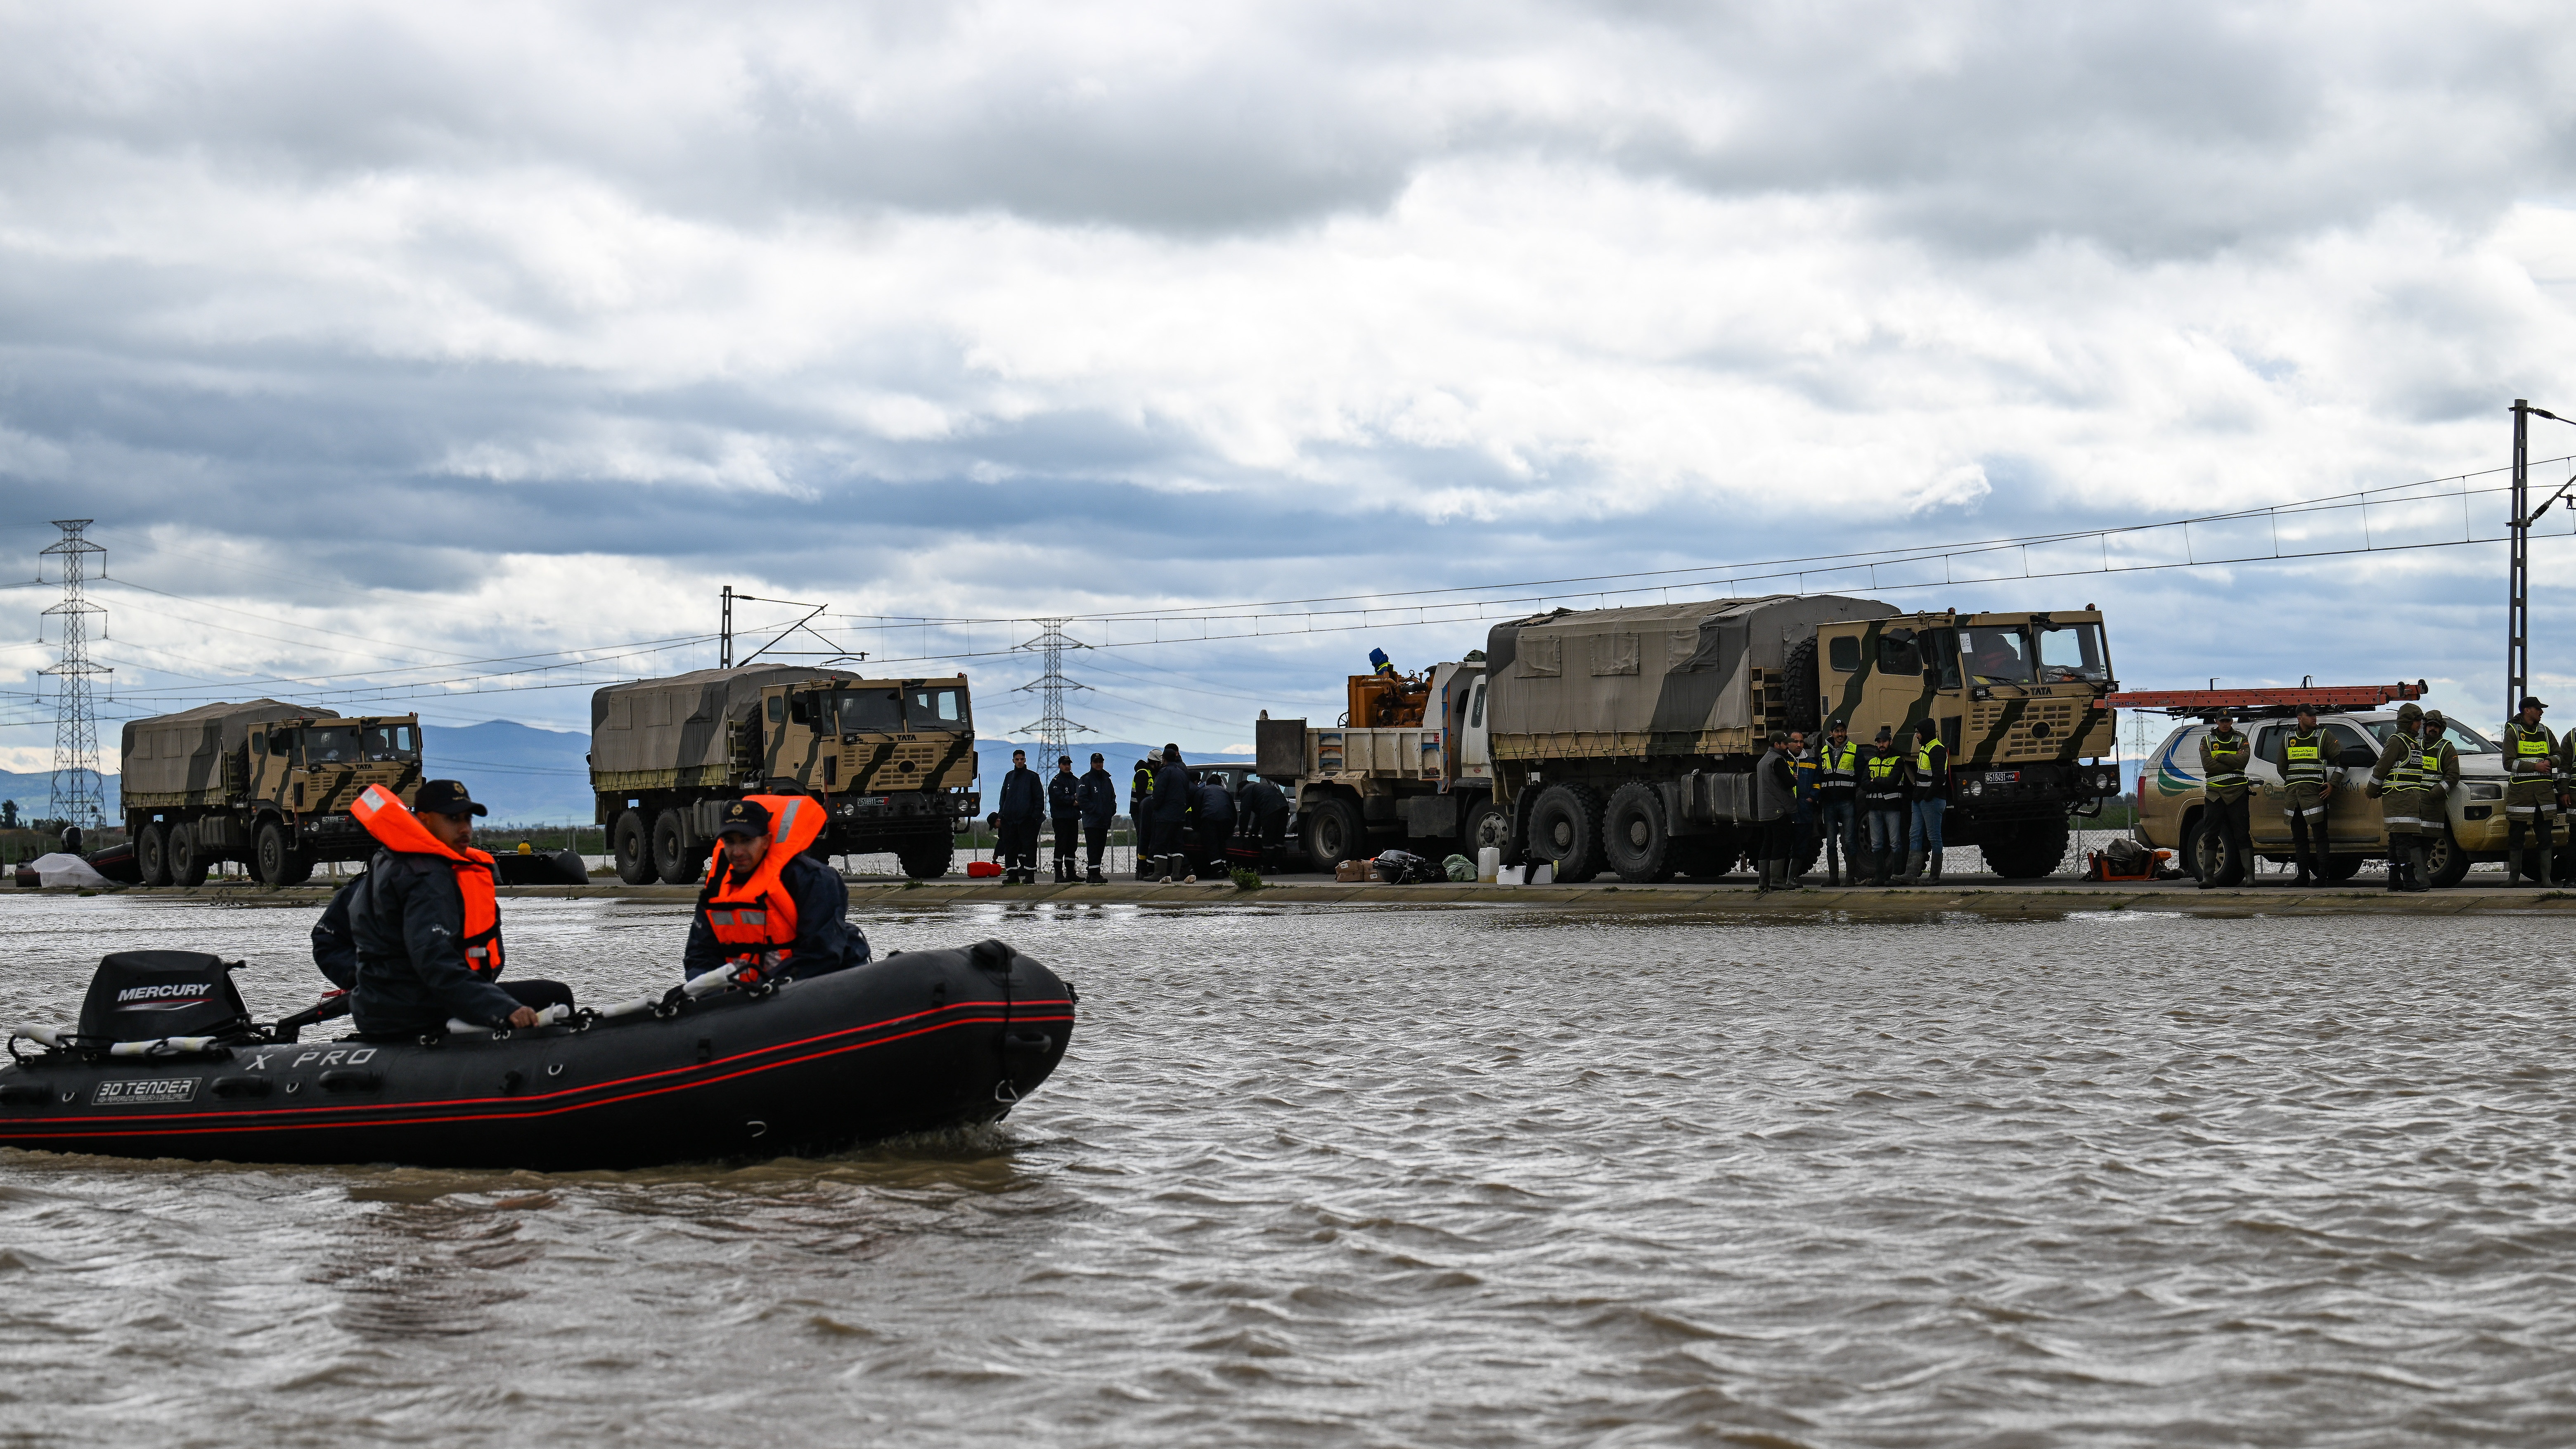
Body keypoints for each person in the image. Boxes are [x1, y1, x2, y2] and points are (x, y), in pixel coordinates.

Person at [346, 780, 573, 1037]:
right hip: (414, 1010)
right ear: (424, 820)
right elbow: (435, 962)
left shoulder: (388, 859)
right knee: (557, 996)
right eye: (453, 819)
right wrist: (504, 1008)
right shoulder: (427, 876)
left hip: (383, 1006)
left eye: (468, 819)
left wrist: (365, 987)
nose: (465, 829)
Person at [683, 796, 871, 983]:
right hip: (752, 996)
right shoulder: (716, 889)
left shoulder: (812, 879)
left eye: (747, 840)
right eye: (730, 842)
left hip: (811, 989)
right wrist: (710, 993)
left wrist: (764, 990)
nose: (738, 852)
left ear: (766, 841)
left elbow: (821, 954)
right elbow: (700, 956)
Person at [2368, 702, 2454, 893]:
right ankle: (2408, 880)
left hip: (2408, 799)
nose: (2421, 725)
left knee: (2397, 840)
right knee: (2403, 841)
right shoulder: (2397, 741)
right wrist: (2371, 790)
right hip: (2399, 798)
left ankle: (2395, 881)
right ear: (2408, 722)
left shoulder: (2411, 743)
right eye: (2418, 721)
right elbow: (2381, 768)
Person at [2278, 704, 2336, 886]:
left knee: (2320, 836)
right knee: (2299, 838)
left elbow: (2342, 760)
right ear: (2299, 718)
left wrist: (2333, 784)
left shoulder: (2323, 735)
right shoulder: (2288, 737)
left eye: (2315, 715)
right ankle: (2303, 876)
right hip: (2294, 798)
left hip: (2315, 795)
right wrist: (2296, 782)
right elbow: (2282, 767)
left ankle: (2322, 877)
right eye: (2309, 715)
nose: (2314, 718)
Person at [2503, 696, 2557, 887]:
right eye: (2538, 709)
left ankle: (2547, 880)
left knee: (2546, 838)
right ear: (2527, 711)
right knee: (2516, 838)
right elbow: (2508, 763)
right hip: (2521, 795)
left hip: (2544, 796)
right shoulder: (2513, 732)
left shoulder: (2545, 731)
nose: (2541, 712)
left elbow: (2559, 754)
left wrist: (2549, 762)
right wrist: (2535, 766)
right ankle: (2513, 879)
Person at [2197, 710, 2252, 890]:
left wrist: (2220, 757)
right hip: (2214, 794)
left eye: (2228, 720)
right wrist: (2232, 760)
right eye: (2222, 721)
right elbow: (2208, 765)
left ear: (2232, 721)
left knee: (2242, 834)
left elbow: (2243, 761)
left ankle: (2250, 878)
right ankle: (2208, 878)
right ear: (2217, 721)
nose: (2226, 724)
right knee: (2211, 834)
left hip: (2238, 793)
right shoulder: (2207, 741)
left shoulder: (2241, 739)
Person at [1859, 724, 1908, 886]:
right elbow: (1864, 783)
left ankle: (1896, 877)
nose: (1881, 745)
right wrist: (1880, 783)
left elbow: (1893, 782)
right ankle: (1880, 878)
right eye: (1879, 742)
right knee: (1877, 844)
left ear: (1890, 742)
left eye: (1884, 741)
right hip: (1874, 808)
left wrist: (1877, 781)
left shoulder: (1898, 761)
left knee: (1895, 842)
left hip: (1891, 808)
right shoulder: (1872, 761)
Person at [1814, 719, 1861, 886]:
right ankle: (1833, 877)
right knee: (1831, 842)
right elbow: (1819, 775)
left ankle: (1850, 878)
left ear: (1846, 732)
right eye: (1837, 731)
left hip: (1847, 802)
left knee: (1849, 841)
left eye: (1843, 731)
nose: (1840, 734)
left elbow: (1862, 775)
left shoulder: (1855, 750)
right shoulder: (1824, 751)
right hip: (1829, 804)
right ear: (1831, 734)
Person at [1904, 720, 1949, 883]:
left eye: (1919, 733)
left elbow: (1939, 779)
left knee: (1934, 837)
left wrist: (1927, 797)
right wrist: (1917, 796)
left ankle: (1934, 876)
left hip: (1932, 801)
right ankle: (1910, 875)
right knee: (1914, 835)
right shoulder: (1925, 748)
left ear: (1927, 733)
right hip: (1920, 801)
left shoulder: (1937, 750)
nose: (1916, 736)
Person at [1753, 732, 1797, 892]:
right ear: (1777, 745)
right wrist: (1794, 778)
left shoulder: (1762, 761)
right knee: (1781, 844)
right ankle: (1777, 881)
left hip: (1765, 811)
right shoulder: (1778, 760)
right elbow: (1788, 781)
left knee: (1767, 844)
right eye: (1785, 744)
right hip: (1779, 810)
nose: (1788, 746)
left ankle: (1763, 882)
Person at [994, 748, 1044, 885]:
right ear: (1013, 761)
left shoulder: (1033, 777)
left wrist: (1034, 817)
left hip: (1027, 820)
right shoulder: (1009, 776)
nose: (1020, 761)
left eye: (1022, 759)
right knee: (1010, 848)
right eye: (1017, 759)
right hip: (1009, 820)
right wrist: (1001, 815)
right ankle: (1012, 875)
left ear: (1025, 760)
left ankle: (1029, 875)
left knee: (1029, 847)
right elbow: (1003, 797)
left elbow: (1040, 799)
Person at [1150, 744, 1194, 882]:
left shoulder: (1164, 773)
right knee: (1177, 844)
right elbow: (1187, 792)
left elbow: (1158, 793)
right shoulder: (1182, 773)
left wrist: (1155, 807)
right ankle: (1176, 873)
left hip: (1165, 815)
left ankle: (1159, 873)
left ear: (1164, 760)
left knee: (1160, 843)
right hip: (1180, 815)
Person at [1077, 752, 1118, 884]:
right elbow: (1082, 800)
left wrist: (1111, 810)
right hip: (1091, 821)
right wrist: (1096, 810)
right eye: (1096, 762)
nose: (1099, 764)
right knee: (1093, 847)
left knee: (1100, 848)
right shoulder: (1086, 780)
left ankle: (1092, 873)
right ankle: (1095, 874)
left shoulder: (1107, 780)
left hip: (1104, 820)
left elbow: (1113, 798)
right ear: (1091, 763)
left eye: (1101, 761)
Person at [1241, 772, 1290, 871]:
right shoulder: (1259, 789)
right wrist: (1253, 832)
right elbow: (1258, 816)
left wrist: (1242, 834)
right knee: (1279, 837)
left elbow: (1245, 814)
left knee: (1269, 837)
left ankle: (1264, 865)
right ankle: (1275, 865)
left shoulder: (1246, 791)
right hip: (1284, 806)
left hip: (1271, 808)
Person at [1046, 754, 1083, 884]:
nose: (1067, 766)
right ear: (1060, 766)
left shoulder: (1075, 781)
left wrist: (1075, 800)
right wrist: (1072, 800)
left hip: (1073, 819)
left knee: (1072, 847)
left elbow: (1082, 796)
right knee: (1061, 846)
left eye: (1069, 764)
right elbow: (1058, 799)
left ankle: (1071, 873)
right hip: (1061, 819)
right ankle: (1058, 874)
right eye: (1065, 764)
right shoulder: (1056, 782)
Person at [1787, 731, 1817, 886]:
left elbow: (1817, 783)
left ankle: (1791, 878)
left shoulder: (1811, 763)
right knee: (1783, 845)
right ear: (1788, 743)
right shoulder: (1782, 761)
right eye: (1795, 741)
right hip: (1786, 811)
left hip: (1804, 811)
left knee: (1801, 845)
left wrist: (1812, 797)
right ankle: (1777, 879)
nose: (1799, 745)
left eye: (1801, 742)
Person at [1195, 771, 1237, 877]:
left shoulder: (1202, 791)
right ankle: (1225, 867)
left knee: (1211, 844)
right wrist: (1232, 827)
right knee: (1221, 843)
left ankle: (1217, 870)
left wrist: (1196, 826)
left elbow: (1196, 810)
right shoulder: (1226, 792)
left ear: (1207, 784)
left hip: (1210, 819)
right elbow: (1233, 810)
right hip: (1226, 820)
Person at [1129, 755, 1159, 878]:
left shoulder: (1151, 774)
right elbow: (1141, 796)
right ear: (1156, 762)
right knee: (1143, 839)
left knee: (1146, 839)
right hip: (1140, 812)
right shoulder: (1143, 774)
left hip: (1147, 812)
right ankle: (1140, 869)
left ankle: (1143, 868)